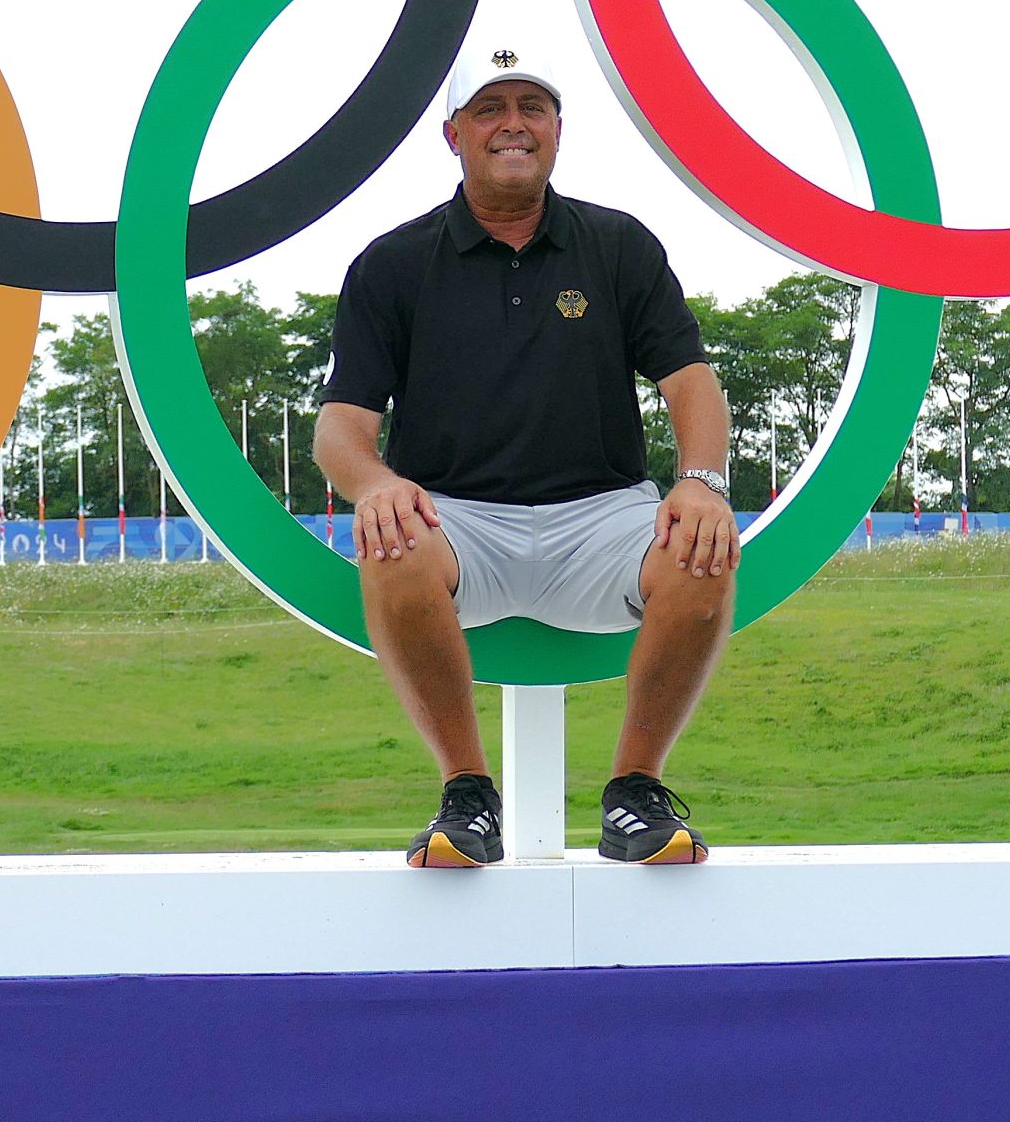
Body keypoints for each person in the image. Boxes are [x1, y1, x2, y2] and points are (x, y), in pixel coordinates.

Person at [313, 47, 739, 869]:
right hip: (456, 520)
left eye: (532, 106)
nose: (514, 124)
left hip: (603, 515)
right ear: (454, 134)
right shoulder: (394, 263)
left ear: (557, 130)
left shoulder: (618, 245)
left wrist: (702, 482)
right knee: (390, 537)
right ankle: (467, 798)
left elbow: (691, 379)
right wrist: (373, 483)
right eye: (491, 108)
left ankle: (635, 795)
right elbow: (341, 425)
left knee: (701, 549)